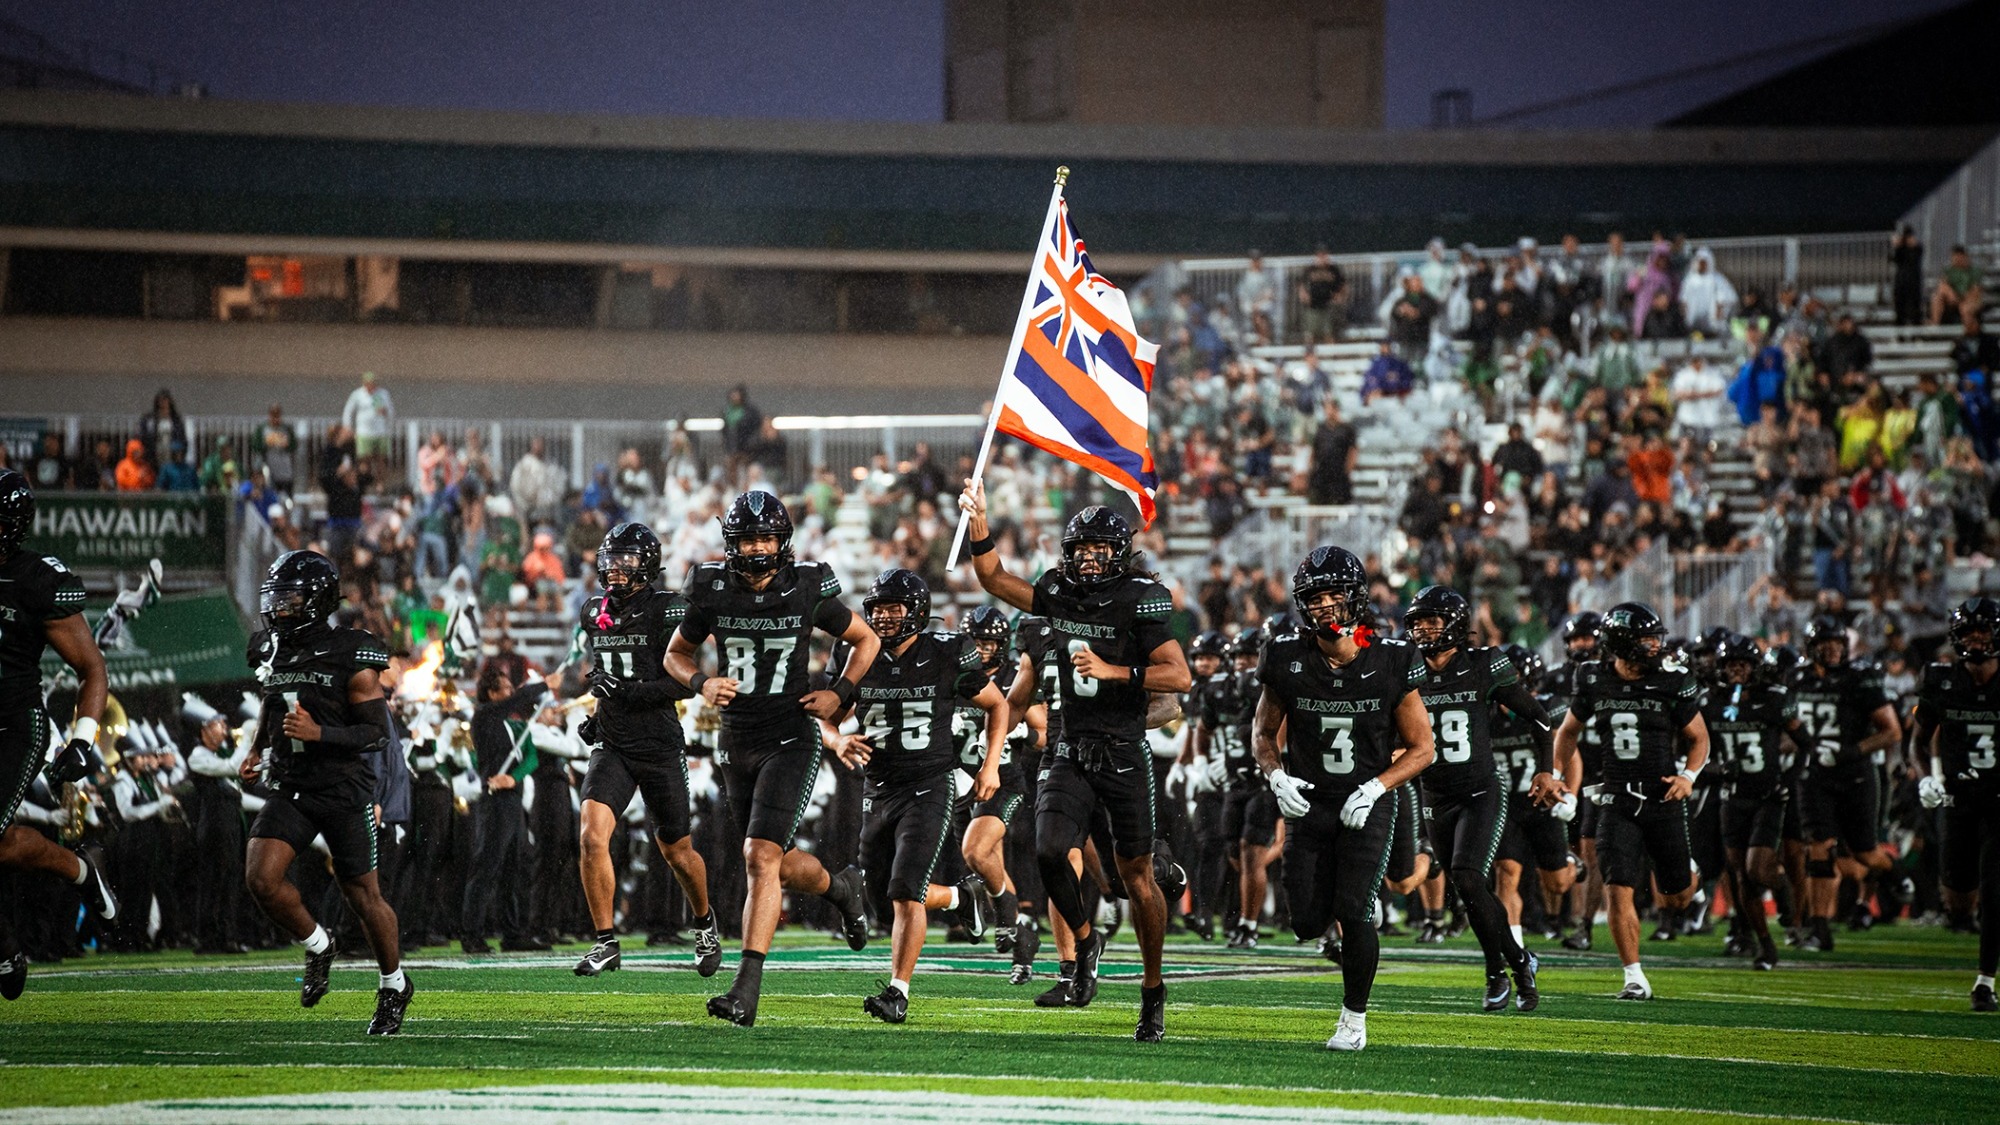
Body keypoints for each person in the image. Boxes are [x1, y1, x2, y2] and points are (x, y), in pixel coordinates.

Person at [958, 482, 1191, 1043]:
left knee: (1134, 878)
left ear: (1119, 552)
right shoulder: (1057, 593)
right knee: (1047, 850)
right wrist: (979, 521)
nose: (1088, 558)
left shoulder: (1140, 595)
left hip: (1123, 749)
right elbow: (993, 577)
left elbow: (1179, 676)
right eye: (1080, 549)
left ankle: (1153, 991)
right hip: (1070, 747)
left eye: (1099, 548)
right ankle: (1086, 943)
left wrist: (1115, 672)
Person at [666, 492, 878, 1027]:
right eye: (747, 540)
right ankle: (842, 889)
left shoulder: (806, 587)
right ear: (730, 545)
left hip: (790, 736)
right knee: (771, 860)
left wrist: (841, 692)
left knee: (760, 857)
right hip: (736, 740)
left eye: (765, 538)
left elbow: (866, 640)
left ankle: (746, 988)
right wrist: (701, 681)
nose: (758, 549)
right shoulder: (712, 589)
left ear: (782, 542)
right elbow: (675, 654)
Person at [1251, 545, 1435, 1051]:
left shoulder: (1393, 658)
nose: (1325, 606)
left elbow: (1423, 748)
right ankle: (1350, 906)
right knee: (1306, 922)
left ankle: (1353, 1020)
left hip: (1367, 801)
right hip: (1309, 802)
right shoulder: (1286, 656)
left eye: (1334, 595)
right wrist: (1276, 777)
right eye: (1315, 598)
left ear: (1356, 597)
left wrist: (1377, 786)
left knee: (1353, 912)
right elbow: (1263, 734)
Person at [239, 550, 411, 1034]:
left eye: (290, 599)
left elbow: (375, 733)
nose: (279, 608)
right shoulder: (272, 648)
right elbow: (274, 701)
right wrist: (255, 749)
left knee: (363, 896)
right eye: (276, 598)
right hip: (292, 785)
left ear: (317, 600)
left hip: (342, 787)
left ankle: (394, 984)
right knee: (261, 878)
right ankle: (319, 945)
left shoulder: (352, 650)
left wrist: (320, 735)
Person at [820, 570, 1002, 1022]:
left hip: (929, 783)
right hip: (878, 786)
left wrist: (990, 765)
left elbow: (997, 704)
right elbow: (825, 716)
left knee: (905, 889)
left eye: (893, 608)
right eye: (877, 609)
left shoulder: (946, 651)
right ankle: (961, 898)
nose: (883, 617)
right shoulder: (855, 651)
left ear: (917, 612)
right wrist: (837, 740)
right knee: (883, 897)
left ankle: (897, 991)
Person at [572, 523, 720, 979]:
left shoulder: (667, 609)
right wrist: (599, 716)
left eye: (627, 560)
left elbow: (683, 686)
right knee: (591, 835)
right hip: (613, 744)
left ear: (648, 565)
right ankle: (606, 941)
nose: (615, 569)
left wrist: (624, 693)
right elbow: (606, 677)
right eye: (611, 560)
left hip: (658, 744)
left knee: (677, 851)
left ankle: (704, 922)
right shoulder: (594, 610)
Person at [1404, 586, 1553, 1011]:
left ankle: (1498, 972)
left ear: (1454, 624)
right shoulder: (1405, 669)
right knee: (1467, 889)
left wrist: (1547, 769)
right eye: (1417, 622)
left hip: (1480, 790)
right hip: (1434, 793)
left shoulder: (1483, 664)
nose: (1423, 630)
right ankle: (1517, 962)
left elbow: (1539, 719)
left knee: (1469, 878)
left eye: (1432, 621)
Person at [0, 470, 119, 1001]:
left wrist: (83, 739)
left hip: (14, 725)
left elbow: (92, 669)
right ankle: (79, 872)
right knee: (3, 844)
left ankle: (7, 947)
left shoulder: (35, 579)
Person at [1551, 602, 1708, 1000]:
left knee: (1676, 896)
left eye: (1655, 638)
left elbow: (1699, 738)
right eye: (1646, 639)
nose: (1655, 645)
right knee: (1617, 886)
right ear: (1622, 643)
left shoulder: (1672, 677)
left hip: (1662, 796)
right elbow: (1567, 732)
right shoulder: (1592, 678)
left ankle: (1692, 878)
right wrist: (1555, 773)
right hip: (1617, 798)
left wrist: (1689, 776)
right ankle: (1633, 976)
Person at [1911, 598, 2000, 1011]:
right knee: (1958, 898)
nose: (1976, 639)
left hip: (1998, 798)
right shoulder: (1940, 679)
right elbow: (1917, 740)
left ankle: (1984, 981)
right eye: (1968, 633)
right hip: (1958, 798)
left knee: (1995, 887)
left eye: (1983, 631)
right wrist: (1926, 776)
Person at [1791, 615, 1900, 949]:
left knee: (1865, 853)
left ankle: (1896, 876)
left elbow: (1891, 732)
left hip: (1855, 776)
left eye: (1837, 643)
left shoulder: (1859, 678)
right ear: (1810, 648)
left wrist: (1849, 752)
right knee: (1819, 849)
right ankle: (1819, 929)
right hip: (1814, 777)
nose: (1832, 650)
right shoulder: (1795, 678)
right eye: (1825, 644)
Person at [1704, 633, 1802, 972]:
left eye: (1743, 665)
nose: (1737, 671)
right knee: (1741, 877)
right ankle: (1765, 945)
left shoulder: (1773, 699)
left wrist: (1788, 778)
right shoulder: (1709, 702)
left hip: (1766, 797)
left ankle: (1784, 893)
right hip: (1731, 798)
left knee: (1757, 868)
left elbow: (1804, 741)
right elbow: (1692, 751)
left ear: (1755, 667)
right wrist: (1717, 769)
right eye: (1731, 665)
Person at [461, 660, 568, 953]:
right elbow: (518, 699)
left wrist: (514, 777)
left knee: (515, 865)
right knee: (487, 865)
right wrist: (545, 684)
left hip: (513, 799)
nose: (511, 693)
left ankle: (513, 933)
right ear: (491, 693)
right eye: (505, 689)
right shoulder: (484, 716)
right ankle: (471, 934)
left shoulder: (518, 725)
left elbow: (530, 759)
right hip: (494, 800)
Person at [954, 606, 1035, 973]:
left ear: (1001, 645)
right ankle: (1020, 931)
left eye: (988, 643)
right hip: (960, 781)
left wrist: (1022, 731)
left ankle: (1005, 914)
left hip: (1002, 779)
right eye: (975, 641)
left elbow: (1044, 732)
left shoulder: (1013, 677)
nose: (981, 649)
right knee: (987, 864)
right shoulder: (951, 672)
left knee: (976, 851)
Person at [1491, 645, 1579, 943]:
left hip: (1542, 803)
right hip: (1506, 805)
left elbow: (1571, 756)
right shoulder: (1485, 711)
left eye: (1512, 672)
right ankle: (1514, 946)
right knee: (1506, 873)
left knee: (1558, 884)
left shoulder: (1545, 706)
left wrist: (1571, 794)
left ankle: (1573, 864)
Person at [1306, 398, 1359, 506]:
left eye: (1330, 409)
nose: (1328, 412)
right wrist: (1310, 467)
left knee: (1340, 503)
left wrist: (1348, 469)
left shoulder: (1347, 429)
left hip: (1339, 473)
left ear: (1336, 410)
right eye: (1326, 409)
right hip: (1322, 473)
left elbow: (1353, 451)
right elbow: (1314, 450)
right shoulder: (1320, 429)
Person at [342, 372, 395, 473]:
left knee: (381, 460)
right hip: (364, 432)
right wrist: (348, 428)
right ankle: (365, 479)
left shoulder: (383, 394)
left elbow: (391, 411)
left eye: (373, 383)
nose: (371, 386)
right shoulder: (357, 394)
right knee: (364, 459)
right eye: (368, 383)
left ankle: (380, 481)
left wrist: (385, 413)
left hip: (381, 432)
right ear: (364, 383)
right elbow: (348, 411)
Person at [1297, 246, 1348, 348]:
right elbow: (1301, 285)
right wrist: (1303, 296)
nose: (1322, 258)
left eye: (1324, 255)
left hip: (1329, 305)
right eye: (1320, 256)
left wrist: (1341, 297)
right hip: (1312, 306)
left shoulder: (1334, 270)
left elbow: (1343, 285)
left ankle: (1331, 355)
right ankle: (1310, 354)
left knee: (1328, 334)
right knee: (1310, 334)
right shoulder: (1310, 270)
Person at [1933, 245, 1984, 331]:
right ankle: (1935, 327)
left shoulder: (1975, 271)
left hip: (1969, 299)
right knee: (1936, 298)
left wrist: (1964, 299)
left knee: (1965, 308)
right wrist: (1951, 295)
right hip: (1953, 299)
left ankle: (1969, 331)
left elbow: (1976, 289)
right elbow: (1943, 285)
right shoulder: (1948, 271)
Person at [1891, 226, 1924, 326]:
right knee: (1899, 306)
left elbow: (1917, 256)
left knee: (1915, 307)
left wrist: (1913, 246)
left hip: (1913, 281)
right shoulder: (1900, 249)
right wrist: (1897, 246)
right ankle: (1900, 329)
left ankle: (1916, 328)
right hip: (1901, 281)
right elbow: (1894, 259)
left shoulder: (1917, 248)